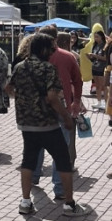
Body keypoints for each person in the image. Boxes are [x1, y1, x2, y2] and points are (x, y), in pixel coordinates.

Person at [5, 33, 93, 217]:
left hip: (26, 124)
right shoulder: (48, 68)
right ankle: (69, 204)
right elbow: (53, 97)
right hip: (48, 124)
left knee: (27, 161)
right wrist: (66, 117)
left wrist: (25, 101)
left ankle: (25, 202)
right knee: (63, 161)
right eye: (51, 48)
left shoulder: (20, 67)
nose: (53, 51)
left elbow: (8, 89)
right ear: (43, 49)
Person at [31, 26, 84, 195]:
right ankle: (59, 188)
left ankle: (34, 176)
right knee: (61, 149)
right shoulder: (68, 57)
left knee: (38, 145)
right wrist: (76, 101)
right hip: (63, 108)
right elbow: (78, 80)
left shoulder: (35, 57)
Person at [86, 30, 107, 110]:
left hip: (102, 67)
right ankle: (99, 102)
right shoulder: (95, 45)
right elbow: (93, 58)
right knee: (97, 85)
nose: (95, 38)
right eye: (94, 37)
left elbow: (105, 58)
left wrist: (95, 55)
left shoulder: (105, 46)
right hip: (95, 67)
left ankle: (105, 102)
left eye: (97, 37)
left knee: (104, 86)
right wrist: (90, 57)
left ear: (102, 37)